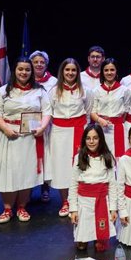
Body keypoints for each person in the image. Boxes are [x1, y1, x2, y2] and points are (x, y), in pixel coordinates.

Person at [0, 57, 52, 223]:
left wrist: (42, 128)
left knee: (26, 172)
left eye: (27, 70)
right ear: (15, 71)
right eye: (20, 69)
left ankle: (22, 207)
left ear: (31, 72)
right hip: (8, 135)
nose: (24, 72)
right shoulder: (3, 91)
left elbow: (47, 112)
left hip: (30, 137)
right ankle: (8, 208)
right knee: (8, 172)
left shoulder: (40, 91)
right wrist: (6, 129)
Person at [48, 58, 92, 217]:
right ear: (62, 71)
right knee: (61, 168)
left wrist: (85, 132)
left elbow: (88, 111)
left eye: (73, 70)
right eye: (67, 70)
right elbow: (49, 112)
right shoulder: (53, 91)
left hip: (80, 131)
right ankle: (65, 202)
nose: (70, 73)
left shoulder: (85, 90)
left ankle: (80, 200)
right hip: (59, 133)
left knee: (81, 166)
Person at [68, 124, 117, 252]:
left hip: (101, 202)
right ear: (84, 140)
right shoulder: (79, 157)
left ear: (100, 139)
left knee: (100, 247)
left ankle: (99, 238)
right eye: (88, 138)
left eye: (95, 138)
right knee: (81, 247)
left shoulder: (108, 158)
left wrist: (113, 209)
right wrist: (73, 209)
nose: (91, 141)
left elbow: (112, 185)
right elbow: (73, 185)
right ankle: (83, 237)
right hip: (84, 204)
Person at [29, 50, 57, 203]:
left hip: (48, 123)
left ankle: (45, 187)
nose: (39, 64)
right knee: (30, 155)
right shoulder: (25, 78)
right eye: (35, 62)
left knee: (45, 156)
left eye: (42, 62)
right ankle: (27, 188)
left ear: (46, 64)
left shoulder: (54, 82)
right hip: (30, 122)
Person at [91, 58, 130, 161]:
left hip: (118, 129)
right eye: (106, 70)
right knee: (101, 157)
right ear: (102, 72)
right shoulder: (96, 91)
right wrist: (100, 120)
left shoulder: (124, 90)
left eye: (112, 70)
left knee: (119, 159)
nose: (109, 73)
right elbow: (92, 112)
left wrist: (116, 121)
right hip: (101, 128)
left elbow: (126, 110)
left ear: (116, 71)